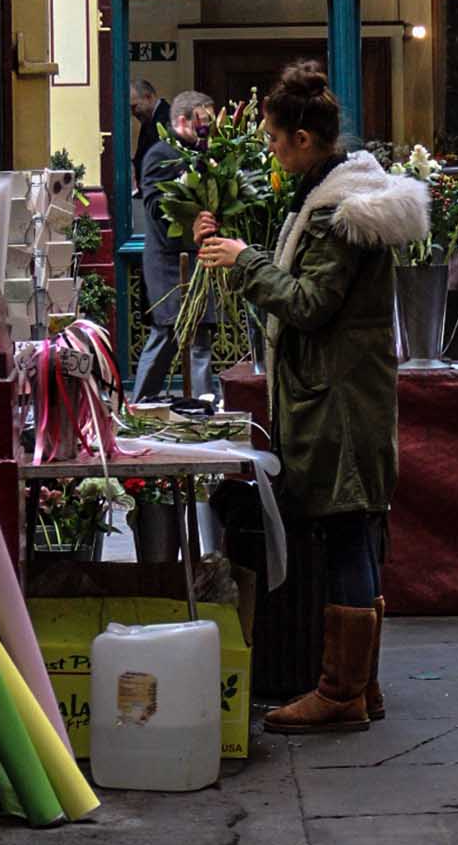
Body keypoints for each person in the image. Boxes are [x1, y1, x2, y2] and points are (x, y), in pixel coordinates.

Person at [196, 62, 429, 733]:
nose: (268, 149)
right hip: (340, 393)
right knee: (350, 534)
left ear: (302, 139)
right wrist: (235, 249)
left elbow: (307, 303)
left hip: (338, 401)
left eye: (272, 139)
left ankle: (341, 692)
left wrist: (244, 261)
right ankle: (361, 685)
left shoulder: (335, 215)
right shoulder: (326, 197)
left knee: (347, 535)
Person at [134, 89, 218, 404]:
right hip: (171, 264)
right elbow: (158, 210)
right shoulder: (159, 153)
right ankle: (140, 404)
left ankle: (203, 406)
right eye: (203, 122)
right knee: (167, 336)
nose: (207, 129)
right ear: (182, 121)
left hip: (198, 261)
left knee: (200, 339)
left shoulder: (203, 154)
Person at [131, 78, 171, 189]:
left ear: (148, 97)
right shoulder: (149, 120)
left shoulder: (167, 119)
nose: (133, 113)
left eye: (134, 107)